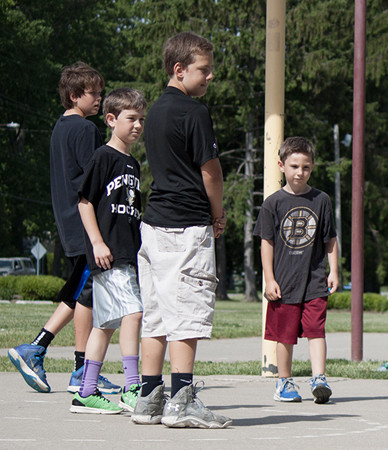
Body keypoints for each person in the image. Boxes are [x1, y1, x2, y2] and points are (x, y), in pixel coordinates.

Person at [132, 31, 230, 429]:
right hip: (186, 225)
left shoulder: (154, 110)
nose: (209, 77)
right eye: (203, 70)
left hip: (153, 225)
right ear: (179, 69)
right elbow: (211, 172)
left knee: (156, 315)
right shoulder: (193, 113)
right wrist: (217, 214)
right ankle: (182, 401)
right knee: (187, 312)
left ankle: (149, 399)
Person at [7, 62, 121, 395]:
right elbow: (95, 179)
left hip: (67, 221)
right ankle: (79, 368)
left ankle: (41, 350)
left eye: (100, 92)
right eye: (93, 93)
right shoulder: (86, 131)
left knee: (80, 292)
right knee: (87, 296)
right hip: (87, 223)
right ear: (74, 95)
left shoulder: (60, 127)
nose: (99, 98)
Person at [71, 88, 147, 414]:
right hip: (109, 253)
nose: (138, 125)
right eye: (131, 118)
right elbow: (84, 201)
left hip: (128, 252)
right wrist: (98, 242)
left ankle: (87, 391)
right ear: (112, 119)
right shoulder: (103, 156)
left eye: (142, 119)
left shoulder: (133, 164)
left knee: (106, 323)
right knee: (134, 313)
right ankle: (132, 387)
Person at [254, 137, 339, 404]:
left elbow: (330, 239)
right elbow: (266, 242)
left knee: (316, 329)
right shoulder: (272, 203)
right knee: (285, 335)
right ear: (281, 165)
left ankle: (319, 378)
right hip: (284, 281)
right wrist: (269, 278)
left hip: (314, 280)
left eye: (305, 167)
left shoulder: (321, 199)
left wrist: (333, 271)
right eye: (293, 166)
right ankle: (284, 382)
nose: (299, 172)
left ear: (312, 167)